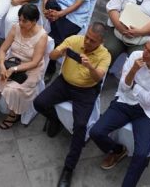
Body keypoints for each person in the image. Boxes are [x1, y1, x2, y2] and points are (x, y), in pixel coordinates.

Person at [89, 36, 150, 187]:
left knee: (141, 155)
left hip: (147, 112)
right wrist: (133, 70)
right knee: (96, 132)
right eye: (145, 47)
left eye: (149, 51)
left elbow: (149, 101)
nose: (144, 52)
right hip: (125, 102)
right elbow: (123, 87)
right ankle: (117, 150)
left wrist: (133, 83)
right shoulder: (135, 55)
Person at [33, 24, 111, 187]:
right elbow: (52, 56)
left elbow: (98, 78)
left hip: (86, 91)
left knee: (80, 126)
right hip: (64, 83)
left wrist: (90, 66)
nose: (87, 41)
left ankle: (69, 168)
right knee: (39, 103)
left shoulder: (105, 55)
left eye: (92, 40)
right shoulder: (74, 40)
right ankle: (55, 119)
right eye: (87, 37)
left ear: (101, 41)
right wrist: (59, 52)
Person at [0, 3, 48, 129]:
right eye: (19, 19)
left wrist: (14, 69)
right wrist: (2, 65)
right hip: (12, 62)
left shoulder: (42, 36)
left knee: (12, 90)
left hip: (30, 69)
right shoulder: (16, 28)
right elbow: (2, 49)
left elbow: (35, 62)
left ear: (34, 21)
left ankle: (13, 115)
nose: (21, 23)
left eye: (24, 21)